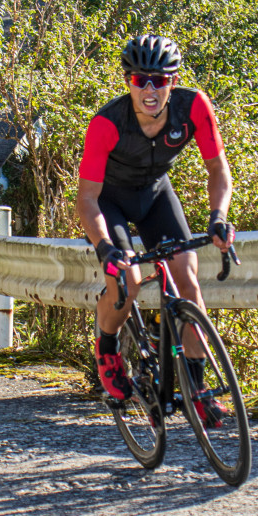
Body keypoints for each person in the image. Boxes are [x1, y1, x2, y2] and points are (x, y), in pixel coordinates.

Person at [75, 34, 236, 425]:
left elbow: (218, 170)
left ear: (173, 80)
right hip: (109, 202)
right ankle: (109, 349)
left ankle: (196, 390)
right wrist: (104, 248)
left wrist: (218, 216)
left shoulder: (193, 106)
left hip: (155, 194)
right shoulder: (107, 124)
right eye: (140, 80)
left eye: (160, 81)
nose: (150, 90)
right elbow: (87, 199)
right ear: (128, 80)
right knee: (127, 282)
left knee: (189, 281)